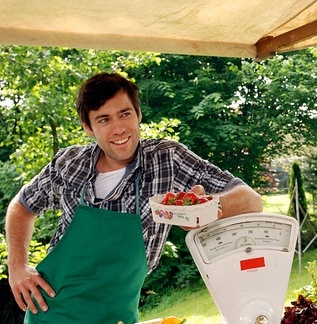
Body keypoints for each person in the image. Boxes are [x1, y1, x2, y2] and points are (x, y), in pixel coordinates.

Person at [5, 72, 263, 323]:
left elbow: (251, 200)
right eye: (104, 119)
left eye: (124, 114)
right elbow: (22, 206)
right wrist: (17, 266)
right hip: (52, 314)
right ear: (87, 127)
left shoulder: (166, 159)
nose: (118, 128)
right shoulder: (69, 164)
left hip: (117, 316)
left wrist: (207, 207)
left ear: (138, 114)